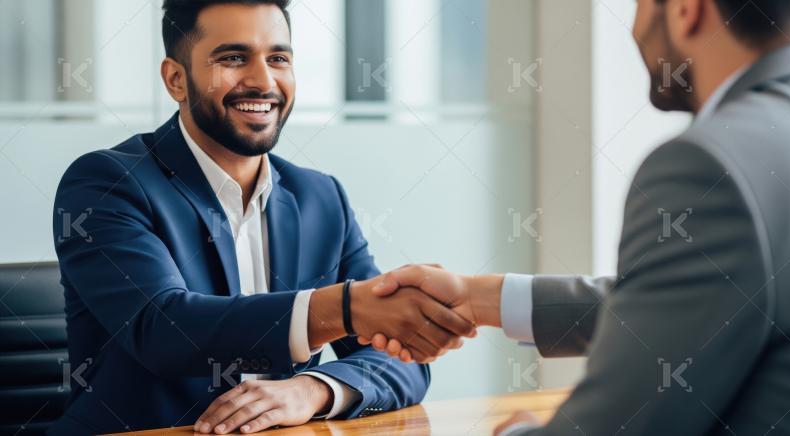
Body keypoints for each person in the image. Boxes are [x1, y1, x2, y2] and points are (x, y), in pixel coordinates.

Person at [362, 0, 790, 434]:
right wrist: (482, 299)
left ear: (687, 10)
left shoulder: (709, 165)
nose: (633, 31)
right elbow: (708, 301)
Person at [50, 1, 475, 434]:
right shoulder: (107, 183)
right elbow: (163, 329)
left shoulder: (320, 197)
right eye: (233, 58)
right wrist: (345, 308)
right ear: (176, 79)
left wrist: (314, 389)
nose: (262, 80)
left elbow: (398, 358)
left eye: (278, 59)